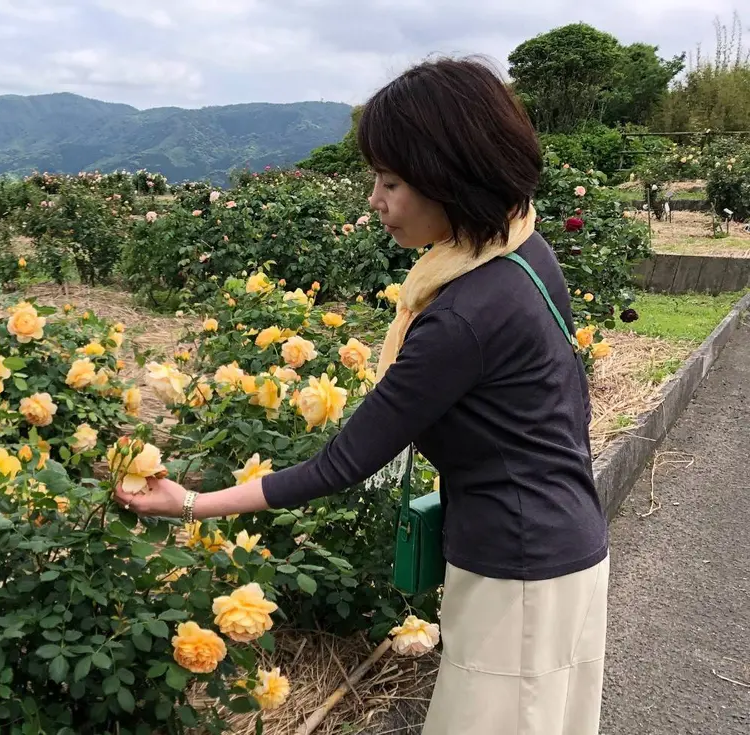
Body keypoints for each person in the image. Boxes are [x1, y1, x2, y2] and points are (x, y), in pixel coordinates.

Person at [116, 57, 609, 735]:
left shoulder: (460, 316)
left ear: (450, 175)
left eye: (391, 181)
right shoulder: (520, 248)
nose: (374, 201)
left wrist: (193, 501)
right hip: (564, 542)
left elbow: (339, 464)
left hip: (518, 572)